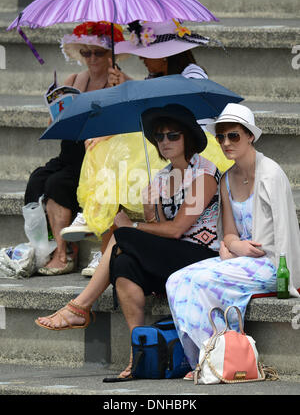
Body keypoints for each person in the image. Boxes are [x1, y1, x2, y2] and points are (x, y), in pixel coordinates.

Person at [35, 103, 222, 380]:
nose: (165, 142)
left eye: (173, 135)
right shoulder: (161, 178)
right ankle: (140, 353)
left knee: (122, 235)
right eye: (159, 137)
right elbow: (160, 227)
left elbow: (176, 230)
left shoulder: (204, 173)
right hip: (171, 257)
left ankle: (80, 306)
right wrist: (151, 206)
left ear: (188, 137)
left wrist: (133, 225)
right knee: (124, 264)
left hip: (200, 255)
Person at [61, 20, 233, 276]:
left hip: (195, 146)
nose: (142, 60)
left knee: (121, 154)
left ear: (164, 56)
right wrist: (125, 87)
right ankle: (100, 225)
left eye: (147, 55)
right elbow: (148, 113)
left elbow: (176, 112)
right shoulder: (154, 75)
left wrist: (130, 83)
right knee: (103, 143)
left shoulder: (192, 73)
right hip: (163, 145)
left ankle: (112, 239)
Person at [166, 103, 300, 375]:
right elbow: (228, 233)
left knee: (199, 281)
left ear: (250, 136)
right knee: (175, 279)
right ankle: (204, 360)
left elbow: (287, 231)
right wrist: (235, 244)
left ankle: (214, 359)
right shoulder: (226, 179)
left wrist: (289, 281)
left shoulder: (272, 175)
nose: (226, 142)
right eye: (222, 137)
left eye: (234, 135)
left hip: (272, 264)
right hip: (241, 261)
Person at [24, 21, 125, 275]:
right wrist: (56, 108)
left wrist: (117, 93)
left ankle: (65, 252)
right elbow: (52, 125)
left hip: (96, 158)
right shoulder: (74, 80)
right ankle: (44, 246)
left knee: (57, 184)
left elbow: (126, 130)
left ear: (110, 54)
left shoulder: (121, 82)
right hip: (69, 151)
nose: (91, 58)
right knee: (37, 179)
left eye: (98, 53)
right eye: (86, 52)